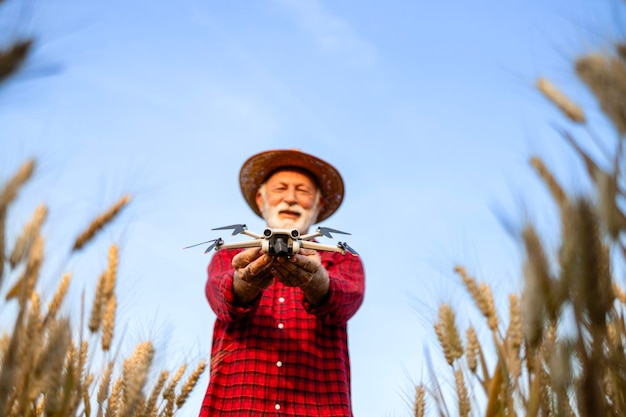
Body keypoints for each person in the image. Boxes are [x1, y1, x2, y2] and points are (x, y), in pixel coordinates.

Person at [199, 149, 365, 417]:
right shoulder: (230, 253)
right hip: (238, 406)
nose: (291, 198)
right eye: (281, 188)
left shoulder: (341, 257)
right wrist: (245, 282)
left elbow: (346, 301)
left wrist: (317, 281)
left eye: (303, 190)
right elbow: (220, 298)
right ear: (261, 198)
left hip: (319, 406)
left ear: (319, 205)